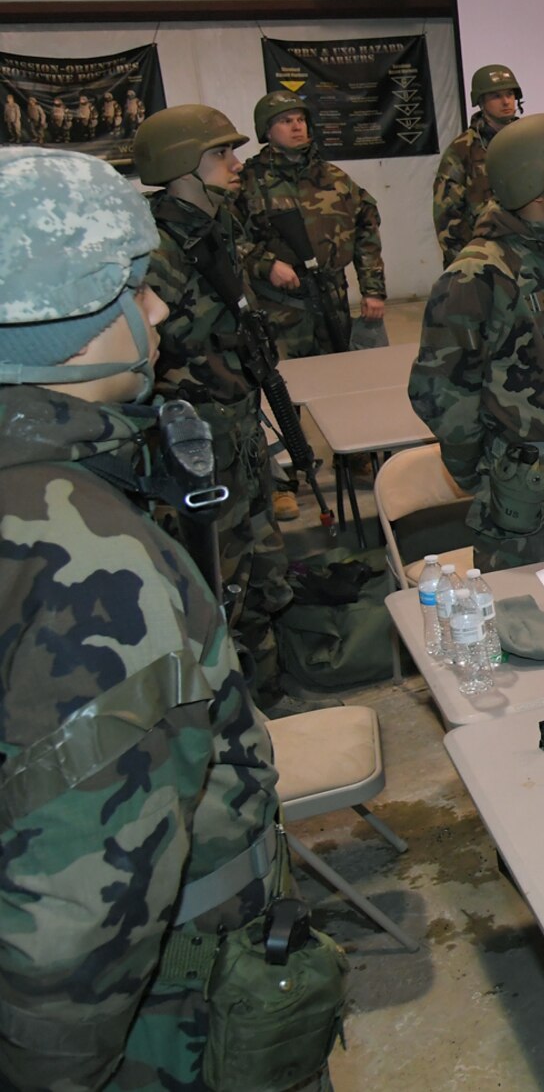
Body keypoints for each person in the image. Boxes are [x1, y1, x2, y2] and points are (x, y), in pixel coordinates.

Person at [0, 145, 316, 1090]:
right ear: (63, 316)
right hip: (157, 1027)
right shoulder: (87, 559)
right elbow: (76, 923)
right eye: (134, 291)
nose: (162, 310)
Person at [409, 111, 544, 571]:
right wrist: (492, 474)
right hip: (528, 498)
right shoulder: (480, 273)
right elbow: (441, 392)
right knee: (532, 626)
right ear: (528, 179)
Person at [137, 104, 295, 706]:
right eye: (221, 154)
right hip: (197, 428)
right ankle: (232, 700)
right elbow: (164, 339)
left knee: (262, 555)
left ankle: (271, 687)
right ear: (182, 166)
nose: (235, 163)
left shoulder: (217, 219)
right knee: (217, 569)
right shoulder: (158, 243)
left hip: (236, 413)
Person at [239, 89, 390, 519]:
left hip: (331, 298)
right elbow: (232, 237)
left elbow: (367, 227)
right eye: (285, 120)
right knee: (279, 395)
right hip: (278, 307)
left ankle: (355, 456)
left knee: (345, 385)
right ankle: (283, 478)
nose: (297, 125)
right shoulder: (249, 182)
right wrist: (266, 263)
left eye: (300, 118)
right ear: (267, 131)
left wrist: (373, 289)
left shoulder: (333, 177)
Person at [433, 62, 523, 267]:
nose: (506, 101)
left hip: (530, 254)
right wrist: (465, 262)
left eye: (510, 94)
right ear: (481, 102)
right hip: (484, 256)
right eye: (496, 96)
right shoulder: (462, 150)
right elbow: (447, 214)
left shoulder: (530, 140)